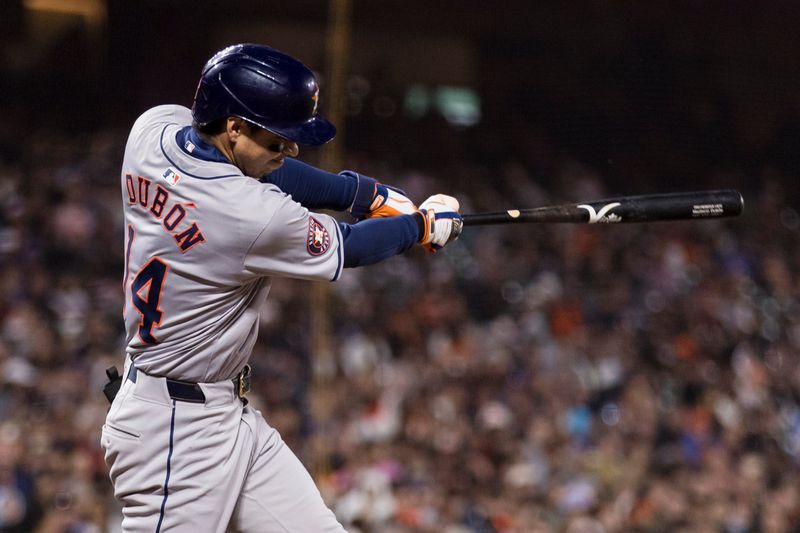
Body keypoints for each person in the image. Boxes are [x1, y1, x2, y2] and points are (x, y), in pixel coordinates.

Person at [100, 43, 462, 532]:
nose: (289, 149)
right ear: (233, 126)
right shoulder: (249, 214)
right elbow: (350, 247)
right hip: (174, 436)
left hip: (217, 411)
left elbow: (259, 166)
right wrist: (420, 226)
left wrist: (363, 194)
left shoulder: (152, 131)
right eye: (278, 139)